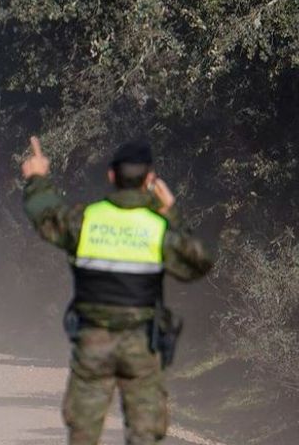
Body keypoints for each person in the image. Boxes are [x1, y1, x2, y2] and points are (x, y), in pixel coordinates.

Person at [21, 137, 212, 445]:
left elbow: (46, 215)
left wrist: (37, 177)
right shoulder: (157, 227)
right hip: (141, 346)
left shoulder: (87, 221)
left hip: (92, 343)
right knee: (144, 433)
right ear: (150, 178)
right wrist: (171, 212)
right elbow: (199, 262)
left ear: (111, 175)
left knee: (83, 433)